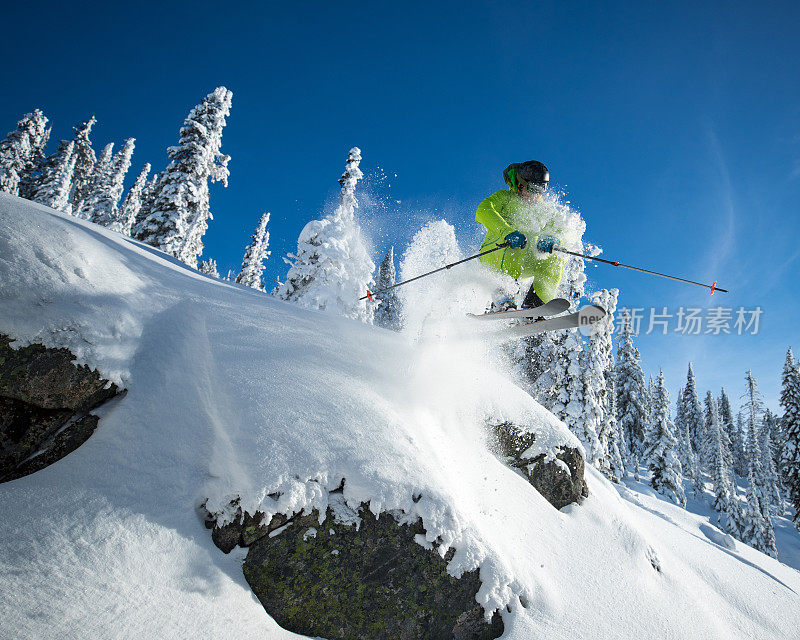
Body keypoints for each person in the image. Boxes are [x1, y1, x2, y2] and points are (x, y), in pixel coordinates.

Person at [475, 160, 565, 309]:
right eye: (532, 189)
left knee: (556, 259)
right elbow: (482, 211)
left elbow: (559, 228)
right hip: (496, 253)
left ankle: (535, 306)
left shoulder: (543, 209)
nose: (535, 195)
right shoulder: (504, 198)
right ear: (520, 184)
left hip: (522, 263)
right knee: (517, 245)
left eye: (541, 190)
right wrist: (507, 232)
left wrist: (552, 239)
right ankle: (504, 298)